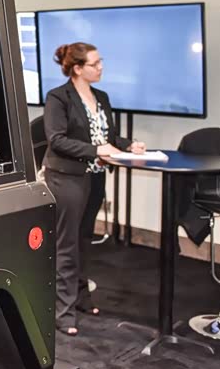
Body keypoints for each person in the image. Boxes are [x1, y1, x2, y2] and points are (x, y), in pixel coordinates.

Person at [42, 42, 145, 336]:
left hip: (95, 176)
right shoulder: (58, 97)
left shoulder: (101, 97)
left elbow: (106, 137)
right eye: (95, 63)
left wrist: (128, 145)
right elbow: (57, 140)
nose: (101, 68)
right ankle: (63, 313)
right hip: (67, 177)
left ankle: (82, 299)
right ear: (77, 68)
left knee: (84, 240)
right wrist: (99, 150)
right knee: (66, 245)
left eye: (101, 62)